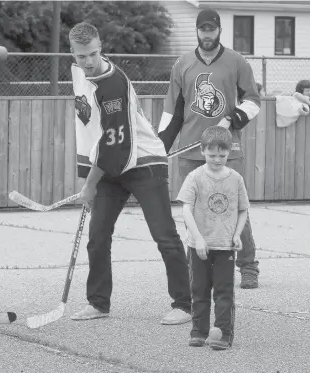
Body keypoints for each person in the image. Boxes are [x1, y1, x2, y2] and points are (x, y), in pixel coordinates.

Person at [68, 22, 192, 325]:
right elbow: (90, 133)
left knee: (163, 234)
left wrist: (90, 186)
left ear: (101, 46)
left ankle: (185, 304)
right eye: (81, 56)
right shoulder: (79, 75)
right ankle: (99, 303)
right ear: (72, 52)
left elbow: (116, 146)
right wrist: (90, 179)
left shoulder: (113, 85)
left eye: (93, 54)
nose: (88, 61)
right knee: (98, 237)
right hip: (110, 165)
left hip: (143, 163)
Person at [158, 8, 261, 289]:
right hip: (191, 152)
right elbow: (173, 111)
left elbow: (253, 99)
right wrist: (160, 146)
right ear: (197, 31)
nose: (207, 35)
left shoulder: (237, 62)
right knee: (193, 211)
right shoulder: (182, 64)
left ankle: (248, 265)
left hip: (227, 149)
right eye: (202, 30)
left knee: (234, 207)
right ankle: (199, 267)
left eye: (211, 30)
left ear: (219, 31)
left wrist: (235, 117)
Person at [177, 126, 249, 350]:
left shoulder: (236, 179)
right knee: (199, 289)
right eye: (212, 155)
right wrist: (197, 238)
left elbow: (242, 210)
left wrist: (236, 234)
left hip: (225, 247)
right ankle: (199, 331)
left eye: (222, 155)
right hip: (199, 246)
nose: (217, 159)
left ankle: (223, 334)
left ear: (230, 152)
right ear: (202, 151)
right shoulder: (194, 177)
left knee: (224, 292)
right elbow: (186, 210)